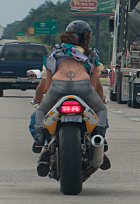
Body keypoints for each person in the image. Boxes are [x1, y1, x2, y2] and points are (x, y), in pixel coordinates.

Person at [32, 20, 110, 170]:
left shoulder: (54, 52)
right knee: (101, 110)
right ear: (87, 37)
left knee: (41, 111)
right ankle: (99, 136)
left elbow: (48, 86)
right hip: (83, 87)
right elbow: (93, 86)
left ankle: (41, 137)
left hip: (58, 87)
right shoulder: (91, 54)